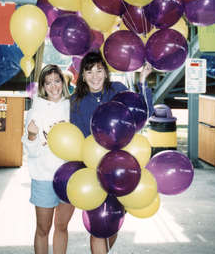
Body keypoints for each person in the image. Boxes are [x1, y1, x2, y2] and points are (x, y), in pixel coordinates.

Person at [70, 51, 153, 254]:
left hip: (121, 167)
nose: (95, 76)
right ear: (82, 76)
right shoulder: (77, 101)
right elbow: (79, 139)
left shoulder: (117, 90)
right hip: (94, 171)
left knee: (113, 221)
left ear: (106, 73)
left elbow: (144, 113)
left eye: (99, 70)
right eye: (89, 72)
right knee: (98, 227)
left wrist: (142, 82)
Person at [22, 64, 75, 254]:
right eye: (48, 82)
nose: (54, 87)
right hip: (43, 177)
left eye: (57, 81)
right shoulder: (36, 110)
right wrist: (31, 136)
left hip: (69, 177)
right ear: (43, 86)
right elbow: (32, 151)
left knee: (62, 227)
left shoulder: (71, 107)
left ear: (63, 82)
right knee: (43, 229)